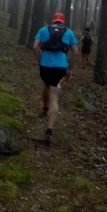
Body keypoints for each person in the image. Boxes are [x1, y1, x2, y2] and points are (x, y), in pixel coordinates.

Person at [32, 12, 79, 144]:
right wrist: (69, 69)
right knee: (55, 96)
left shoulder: (43, 29)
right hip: (61, 69)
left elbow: (35, 46)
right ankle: (49, 132)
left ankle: (45, 109)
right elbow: (76, 52)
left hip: (45, 67)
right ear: (62, 21)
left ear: (53, 20)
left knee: (47, 85)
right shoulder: (69, 32)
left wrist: (39, 60)